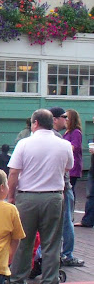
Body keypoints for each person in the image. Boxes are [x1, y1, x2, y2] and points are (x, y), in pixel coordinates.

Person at [8, 109, 73, 284]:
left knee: (22, 241)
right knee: (51, 243)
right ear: (52, 123)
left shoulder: (24, 143)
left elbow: (13, 173)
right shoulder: (64, 144)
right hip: (53, 196)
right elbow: (68, 167)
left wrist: (11, 196)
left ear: (35, 123)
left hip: (27, 196)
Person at [50, 107, 85, 267]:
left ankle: (61, 254)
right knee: (65, 219)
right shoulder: (60, 137)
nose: (66, 119)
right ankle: (66, 254)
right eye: (64, 117)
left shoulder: (72, 133)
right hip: (62, 184)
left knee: (63, 219)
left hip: (64, 180)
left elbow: (73, 151)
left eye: (67, 117)